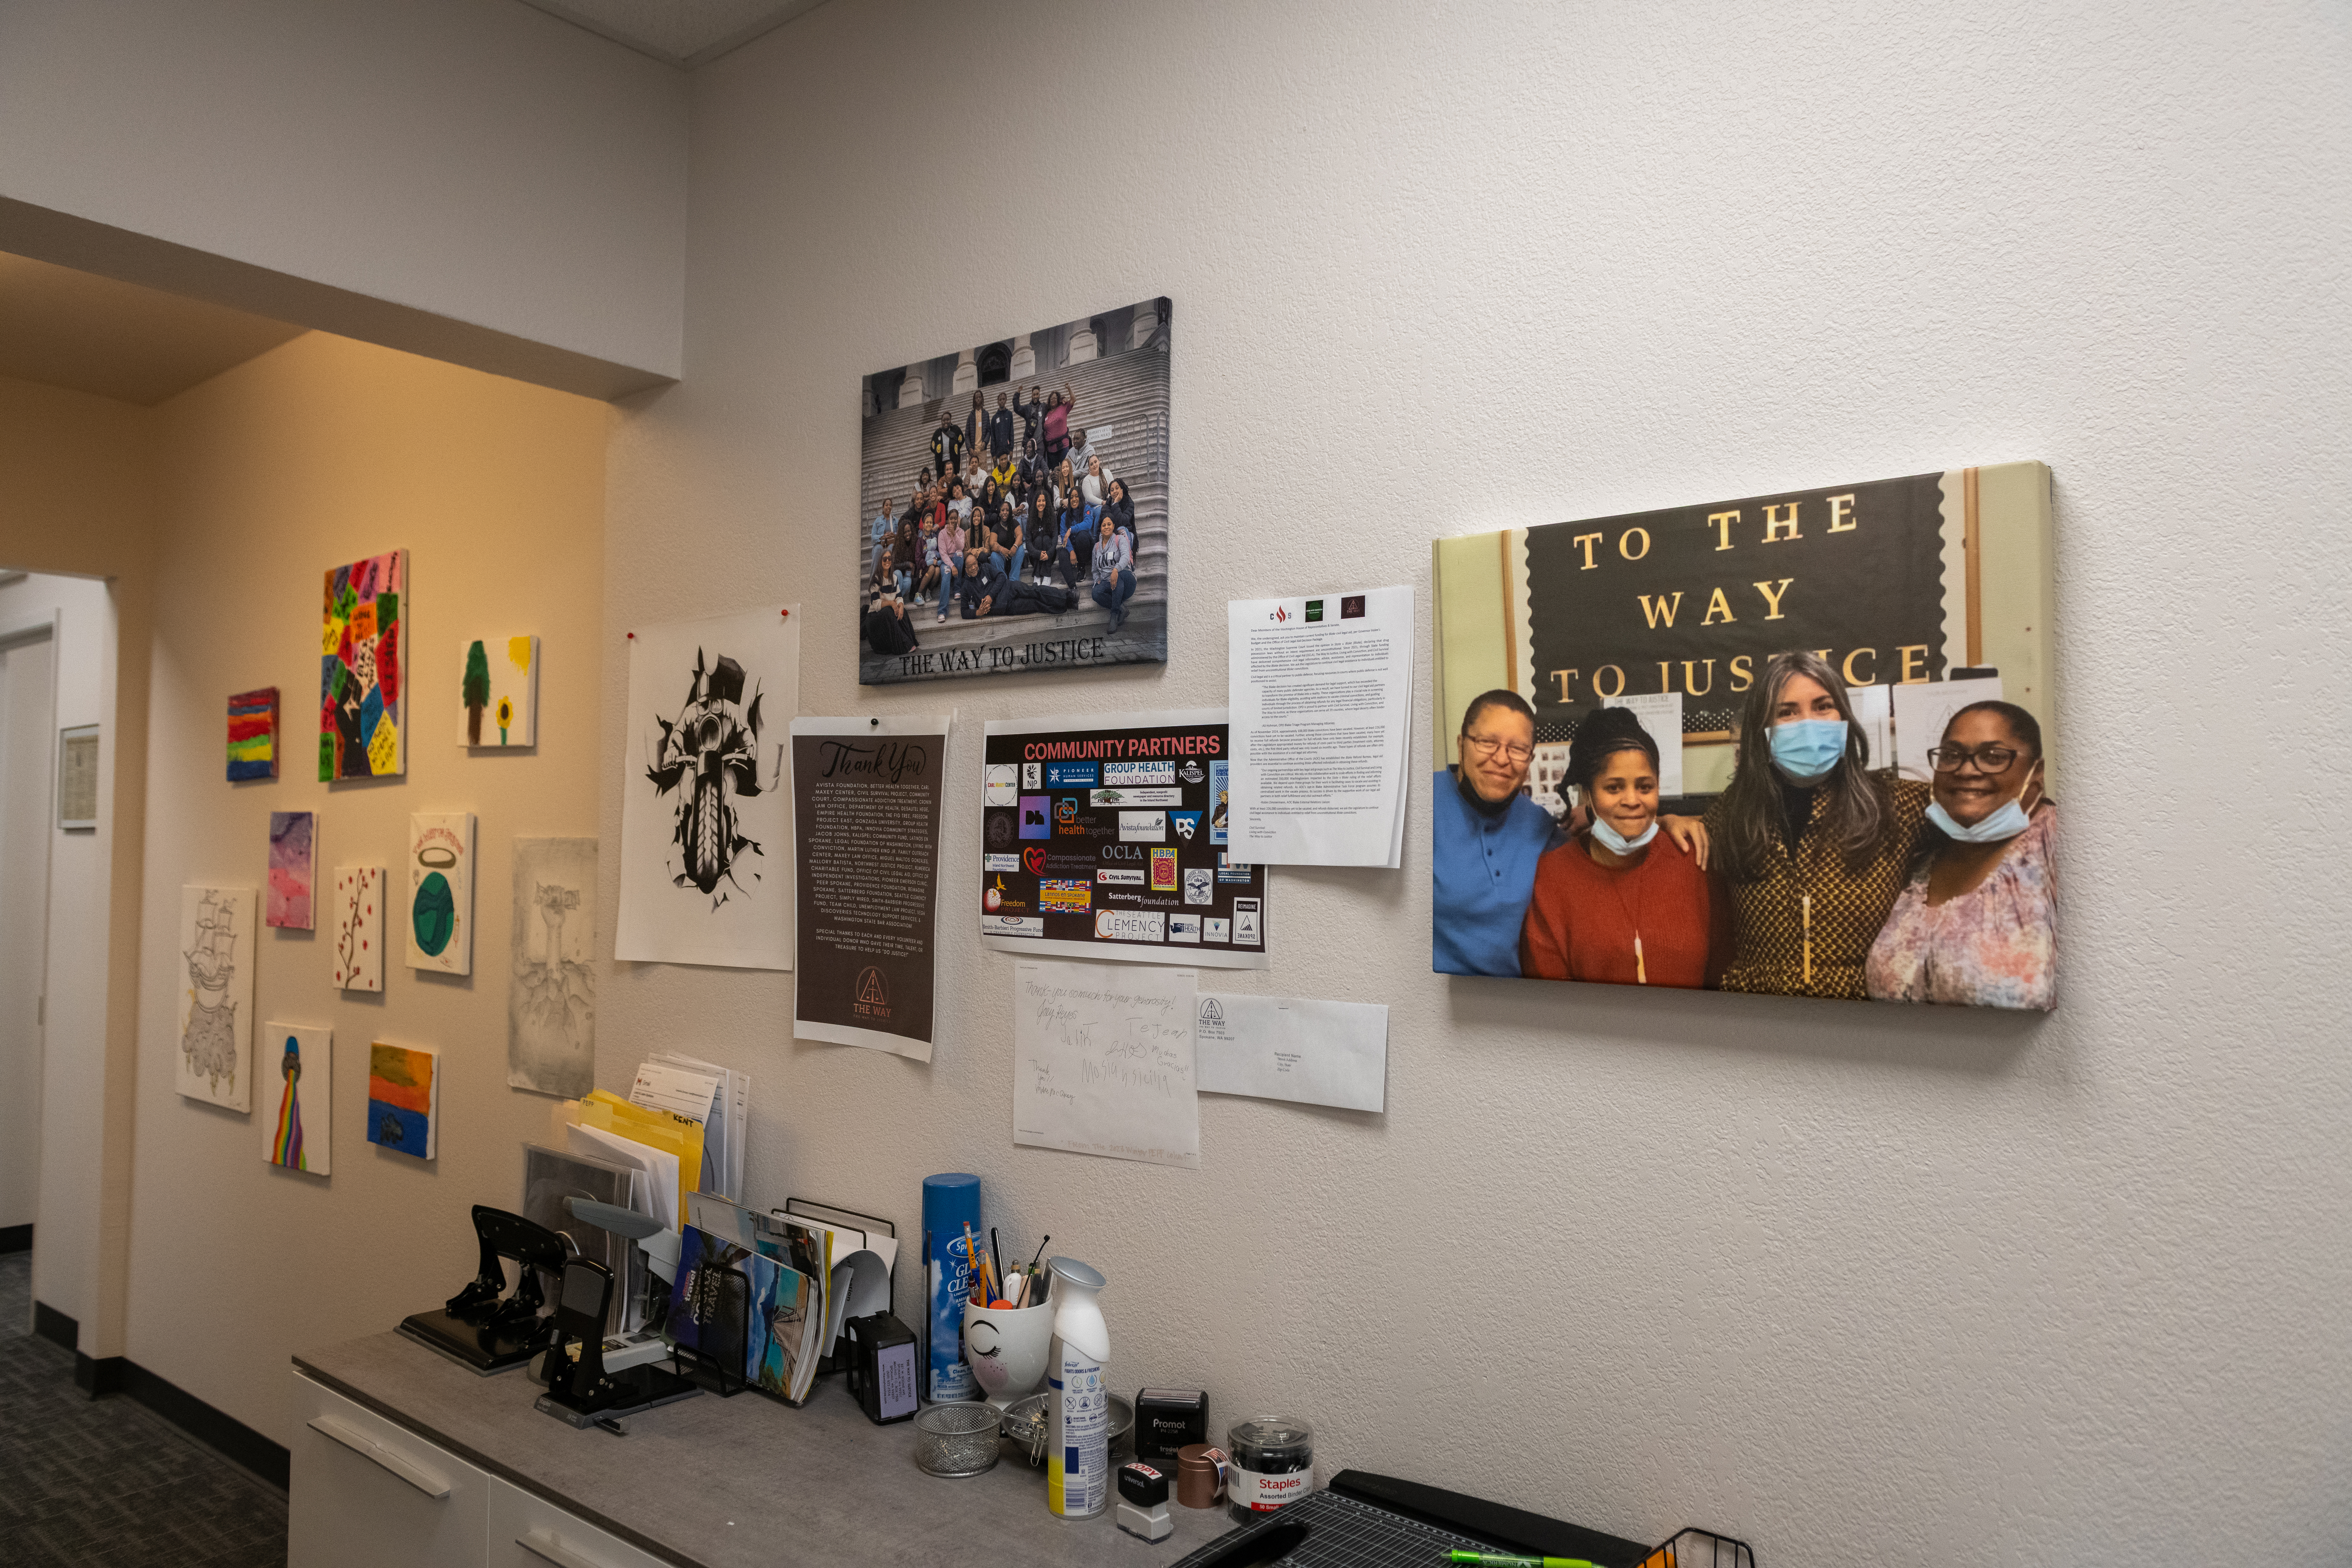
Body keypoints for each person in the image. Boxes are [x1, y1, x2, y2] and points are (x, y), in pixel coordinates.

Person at [1696, 650, 1931, 999]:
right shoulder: (1733, 812)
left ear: (1844, 717)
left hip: (1864, 1018)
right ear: (1761, 729)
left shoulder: (1900, 804)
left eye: (1823, 706)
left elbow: (1985, 814)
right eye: (1786, 712)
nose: (1808, 723)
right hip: (1757, 1016)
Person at [1865, 702, 2056, 1009]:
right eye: (1951, 756)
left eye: (1993, 757)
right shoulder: (1916, 856)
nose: (1966, 771)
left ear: (2037, 772)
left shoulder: (2066, 853)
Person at [1519, 708, 1727, 987]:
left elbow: (1722, 971)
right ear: (1588, 796)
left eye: (1645, 787)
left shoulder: (1693, 860)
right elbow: (1548, 992)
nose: (1632, 800)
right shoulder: (1554, 875)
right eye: (1614, 788)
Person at [1432, 691, 1560, 977]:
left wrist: (1662, 823)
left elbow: (1596, 858)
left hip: (1509, 1003)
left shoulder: (1538, 823)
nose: (1502, 759)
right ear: (1461, 744)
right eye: (1487, 742)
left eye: (1518, 749)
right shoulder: (1420, 804)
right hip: (1432, 1000)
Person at [1090, 512, 1136, 633]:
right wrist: (1097, 580)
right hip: (1109, 584)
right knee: (1096, 593)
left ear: (1113, 526)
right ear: (1101, 528)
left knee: (1118, 577)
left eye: (1109, 524)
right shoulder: (1096, 547)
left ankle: (1114, 615)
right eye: (1104, 525)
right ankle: (1121, 608)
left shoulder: (1120, 539)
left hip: (1126, 579)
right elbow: (1095, 569)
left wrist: (1116, 569)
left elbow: (1126, 556)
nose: (1106, 527)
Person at [1055, 489, 1095, 592]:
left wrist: (1072, 529)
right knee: (1063, 553)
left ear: (1081, 498)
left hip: (1086, 547)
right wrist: (1071, 551)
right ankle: (1073, 587)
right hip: (1073, 548)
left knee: (1082, 535)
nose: (1074, 499)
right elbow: (1064, 536)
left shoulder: (1087, 509)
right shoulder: (1065, 516)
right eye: (1071, 497)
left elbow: (1088, 524)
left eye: (1076, 496)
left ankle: (1082, 568)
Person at [933, 510, 966, 622]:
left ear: (958, 520)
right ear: (948, 519)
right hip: (946, 562)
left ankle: (958, 589)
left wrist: (954, 534)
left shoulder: (961, 532)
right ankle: (942, 612)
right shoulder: (942, 534)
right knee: (947, 574)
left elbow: (961, 547)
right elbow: (943, 554)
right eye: (951, 518)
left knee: (960, 555)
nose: (953, 521)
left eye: (955, 518)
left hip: (956, 558)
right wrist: (952, 566)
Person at [929, 407, 962, 481]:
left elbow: (961, 440)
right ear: (941, 422)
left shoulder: (956, 430)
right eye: (944, 420)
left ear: (951, 420)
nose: (946, 422)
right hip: (941, 465)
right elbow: (932, 447)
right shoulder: (937, 433)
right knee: (942, 485)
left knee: (953, 484)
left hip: (953, 463)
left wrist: (955, 450)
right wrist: (939, 453)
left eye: (948, 420)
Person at [987, 390, 1016, 460]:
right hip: (998, 452)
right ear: (998, 402)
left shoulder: (1009, 414)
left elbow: (1011, 432)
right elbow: (993, 437)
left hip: (1007, 450)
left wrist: (1011, 449)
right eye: (1000, 400)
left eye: (1004, 399)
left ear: (1006, 400)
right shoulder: (994, 418)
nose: (1002, 401)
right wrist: (993, 453)